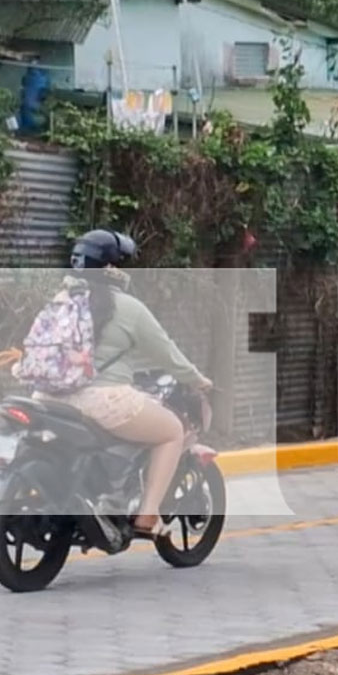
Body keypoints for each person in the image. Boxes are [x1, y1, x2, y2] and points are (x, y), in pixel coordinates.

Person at [43, 229, 214, 537]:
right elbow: (166, 352)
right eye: (120, 263)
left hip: (49, 397)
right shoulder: (128, 308)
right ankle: (148, 515)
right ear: (109, 268)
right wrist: (198, 380)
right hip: (101, 400)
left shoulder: (61, 300)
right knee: (172, 431)